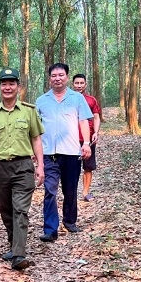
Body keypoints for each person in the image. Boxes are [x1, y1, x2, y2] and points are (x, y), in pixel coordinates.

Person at [0, 68, 45, 270]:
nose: (8, 87)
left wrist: (41, 165)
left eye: (12, 83)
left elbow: (36, 139)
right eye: (4, 84)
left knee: (20, 210)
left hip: (23, 166)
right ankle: (14, 245)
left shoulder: (29, 111)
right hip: (0, 167)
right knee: (6, 210)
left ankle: (18, 254)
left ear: (18, 87)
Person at [35, 63, 93, 242]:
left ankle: (69, 220)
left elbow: (83, 122)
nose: (57, 78)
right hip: (48, 154)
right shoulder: (41, 100)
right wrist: (34, 152)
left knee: (70, 190)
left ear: (67, 77)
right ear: (49, 78)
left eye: (61, 75)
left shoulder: (77, 98)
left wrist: (87, 143)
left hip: (71, 152)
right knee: (50, 191)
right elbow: (35, 129)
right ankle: (50, 229)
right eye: (54, 75)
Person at [71, 74, 101, 202]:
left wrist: (96, 132)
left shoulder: (91, 100)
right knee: (71, 166)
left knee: (88, 166)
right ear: (73, 84)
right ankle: (71, 193)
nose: (79, 85)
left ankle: (85, 192)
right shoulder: (68, 99)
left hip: (88, 138)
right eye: (76, 83)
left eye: (81, 83)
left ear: (85, 84)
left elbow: (96, 117)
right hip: (72, 138)